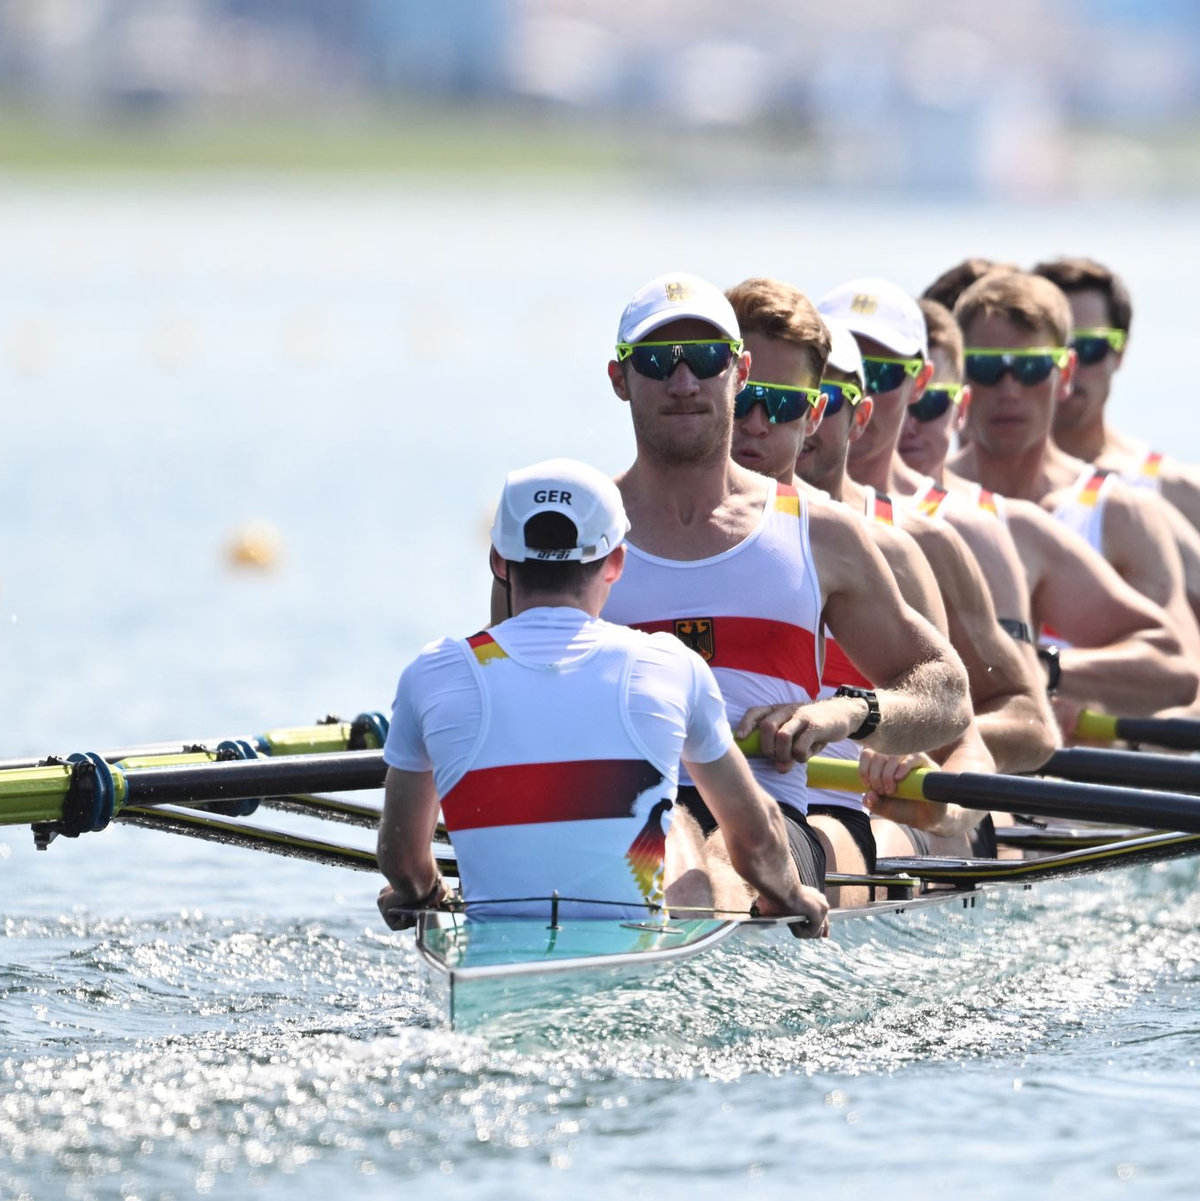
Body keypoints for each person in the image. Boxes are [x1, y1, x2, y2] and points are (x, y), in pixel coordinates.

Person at [593, 271, 972, 904]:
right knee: (665, 833)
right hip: (614, 810)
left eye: (707, 360)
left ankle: (672, 940)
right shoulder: (578, 532)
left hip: (775, 818)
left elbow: (948, 693)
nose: (683, 383)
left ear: (738, 374)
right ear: (619, 379)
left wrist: (847, 713)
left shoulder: (821, 534)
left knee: (706, 853)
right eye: (659, 362)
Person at [379, 457, 830, 936]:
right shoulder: (670, 667)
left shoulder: (432, 673)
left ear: (499, 562)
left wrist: (424, 893)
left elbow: (401, 856)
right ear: (616, 563)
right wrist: (792, 895)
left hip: (495, 965)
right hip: (631, 968)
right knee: (680, 830)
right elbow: (756, 836)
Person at [723, 276, 998, 877]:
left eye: (787, 402)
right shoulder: (631, 537)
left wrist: (941, 809)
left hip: (854, 824)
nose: (758, 421)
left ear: (819, 412)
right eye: (744, 397)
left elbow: (963, 741)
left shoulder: (890, 551)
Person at [947, 270, 1199, 717]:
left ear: (1063, 374)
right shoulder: (922, 503)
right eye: (986, 367)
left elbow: (1177, 670)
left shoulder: (1121, 512)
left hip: (1078, 774)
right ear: (960, 375)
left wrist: (1047, 670)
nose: (1008, 390)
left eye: (1031, 367)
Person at [1033, 255, 1200, 634]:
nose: (1070, 365)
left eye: (1089, 348)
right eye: (1053, 349)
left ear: (1120, 353)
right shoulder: (966, 483)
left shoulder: (1180, 492)